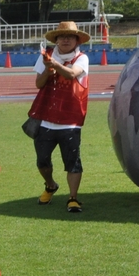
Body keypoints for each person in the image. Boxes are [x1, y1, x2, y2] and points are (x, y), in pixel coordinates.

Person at [29, 20, 90, 212]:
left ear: (77, 40)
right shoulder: (46, 57)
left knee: (72, 161)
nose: (65, 40)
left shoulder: (82, 58)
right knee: (42, 160)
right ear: (56, 39)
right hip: (46, 117)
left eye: (70, 37)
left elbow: (72, 74)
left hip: (71, 119)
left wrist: (55, 64)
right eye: (62, 36)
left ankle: (73, 198)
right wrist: (48, 69)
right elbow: (39, 84)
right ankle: (50, 185)